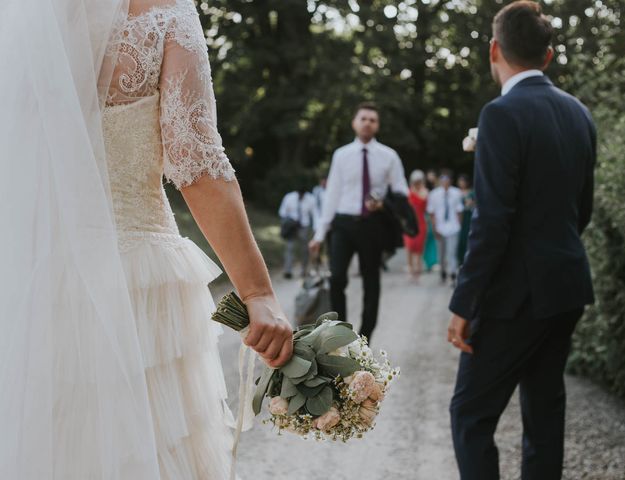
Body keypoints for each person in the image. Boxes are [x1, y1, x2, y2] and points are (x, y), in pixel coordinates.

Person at [1, 1, 293, 478]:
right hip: (137, 283)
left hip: (33, 288)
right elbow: (196, 165)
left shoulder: (19, 19)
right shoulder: (165, 12)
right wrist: (258, 292)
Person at [446, 3, 597, 480]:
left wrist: (465, 302)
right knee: (544, 412)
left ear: (494, 49)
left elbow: (492, 223)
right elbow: (583, 210)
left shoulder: (500, 113)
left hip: (516, 297)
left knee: (470, 415)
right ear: (548, 56)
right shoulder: (580, 114)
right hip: (567, 286)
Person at [309, 102, 408, 342]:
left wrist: (383, 202)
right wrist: (319, 234)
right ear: (354, 122)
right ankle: (342, 334)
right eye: (363, 118)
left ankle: (365, 338)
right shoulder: (341, 155)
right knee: (337, 278)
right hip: (343, 223)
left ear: (377, 125)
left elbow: (401, 191)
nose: (367, 123)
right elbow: (332, 194)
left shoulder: (389, 156)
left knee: (371, 280)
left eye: (372, 119)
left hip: (372, 224)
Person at [428, 170, 463, 286]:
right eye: (443, 179)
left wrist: (459, 225)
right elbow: (431, 212)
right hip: (440, 227)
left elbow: (459, 211)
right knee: (441, 253)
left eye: (447, 179)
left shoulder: (457, 193)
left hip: (453, 226)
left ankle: (453, 274)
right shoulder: (434, 194)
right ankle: (443, 272)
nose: (445, 182)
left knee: (452, 252)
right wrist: (434, 227)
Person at [278, 188, 315, 279]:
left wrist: (316, 228)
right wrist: (290, 221)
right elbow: (282, 212)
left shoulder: (310, 199)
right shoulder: (289, 197)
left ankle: (303, 270)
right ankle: (288, 271)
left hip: (303, 227)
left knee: (304, 249)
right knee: (289, 248)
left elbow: (315, 214)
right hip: (292, 227)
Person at [403, 170, 429, 282]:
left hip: (420, 223)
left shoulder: (424, 191)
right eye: (415, 181)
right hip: (410, 223)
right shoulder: (408, 192)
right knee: (409, 246)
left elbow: (423, 200)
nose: (417, 184)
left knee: (419, 248)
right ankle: (410, 268)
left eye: (419, 181)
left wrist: (416, 191)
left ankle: (417, 270)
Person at [456, 174, 475, 265]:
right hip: (458, 217)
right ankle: (459, 259)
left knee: (467, 236)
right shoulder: (456, 192)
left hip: (467, 217)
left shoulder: (471, 193)